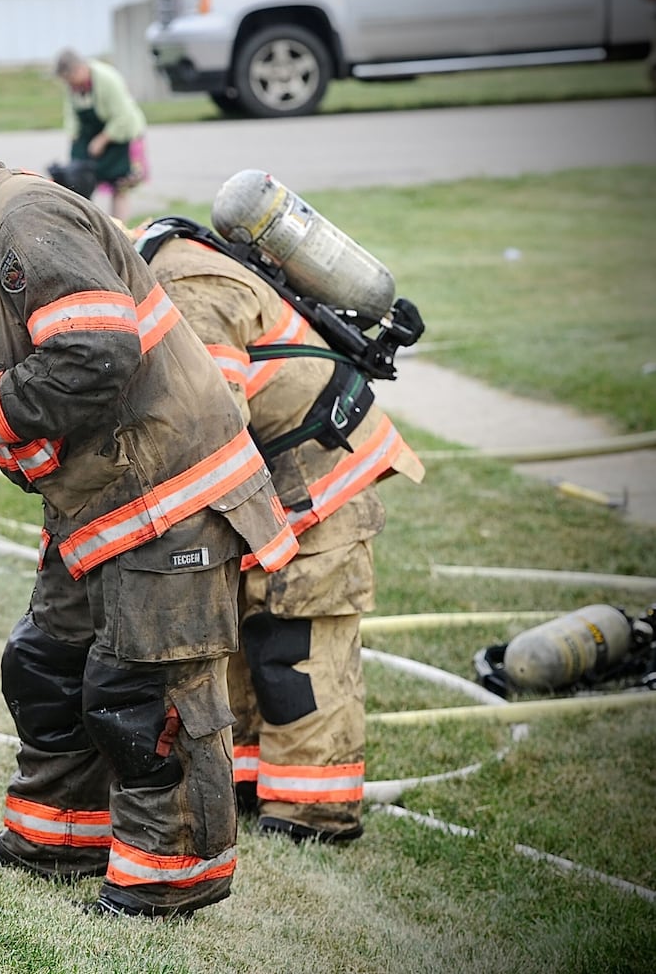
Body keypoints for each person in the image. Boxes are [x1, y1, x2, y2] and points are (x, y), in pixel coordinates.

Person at [0, 137, 299, 918]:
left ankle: (170, 879)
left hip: (169, 495)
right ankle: (58, 842)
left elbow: (96, 354)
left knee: (144, 697)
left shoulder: (24, 222)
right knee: (45, 668)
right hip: (99, 504)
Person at [133, 210, 425, 843]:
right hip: (270, 483)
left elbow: (213, 428)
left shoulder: (192, 291)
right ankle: (248, 784)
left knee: (296, 652)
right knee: (240, 639)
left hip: (317, 482)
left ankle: (314, 814)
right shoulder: (153, 270)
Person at [53, 48, 147, 220]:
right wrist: (73, 136)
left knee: (120, 186)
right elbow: (71, 114)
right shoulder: (73, 86)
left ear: (80, 69)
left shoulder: (107, 79)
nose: (70, 85)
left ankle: (119, 230)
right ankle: (85, 225)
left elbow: (123, 115)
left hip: (121, 136)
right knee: (78, 181)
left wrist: (103, 139)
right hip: (90, 136)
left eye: (71, 79)